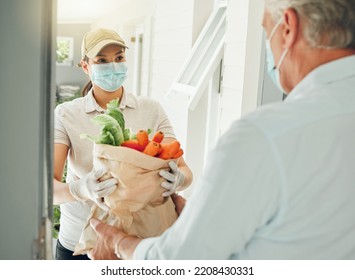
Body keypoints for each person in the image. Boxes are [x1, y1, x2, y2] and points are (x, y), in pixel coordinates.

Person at [88, 0, 355, 260]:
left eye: (265, 31)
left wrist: (119, 242)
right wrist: (203, 219)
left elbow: (178, 261)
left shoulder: (263, 136)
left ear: (288, 28)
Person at [53, 27, 193, 260]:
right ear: (86, 66)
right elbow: (49, 190)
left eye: (119, 58)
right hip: (80, 245)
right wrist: (81, 189)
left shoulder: (151, 109)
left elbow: (186, 172)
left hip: (141, 243)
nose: (113, 66)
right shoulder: (67, 114)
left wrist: (178, 179)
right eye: (102, 60)